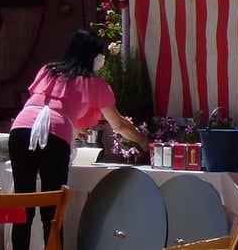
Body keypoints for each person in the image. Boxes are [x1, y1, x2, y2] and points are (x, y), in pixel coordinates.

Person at [8, 29, 147, 250]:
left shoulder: (47, 70)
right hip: (54, 137)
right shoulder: (94, 84)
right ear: (94, 56)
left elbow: (48, 106)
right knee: (52, 209)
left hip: (19, 130)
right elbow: (118, 125)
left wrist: (72, 129)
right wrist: (142, 141)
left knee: (22, 203)